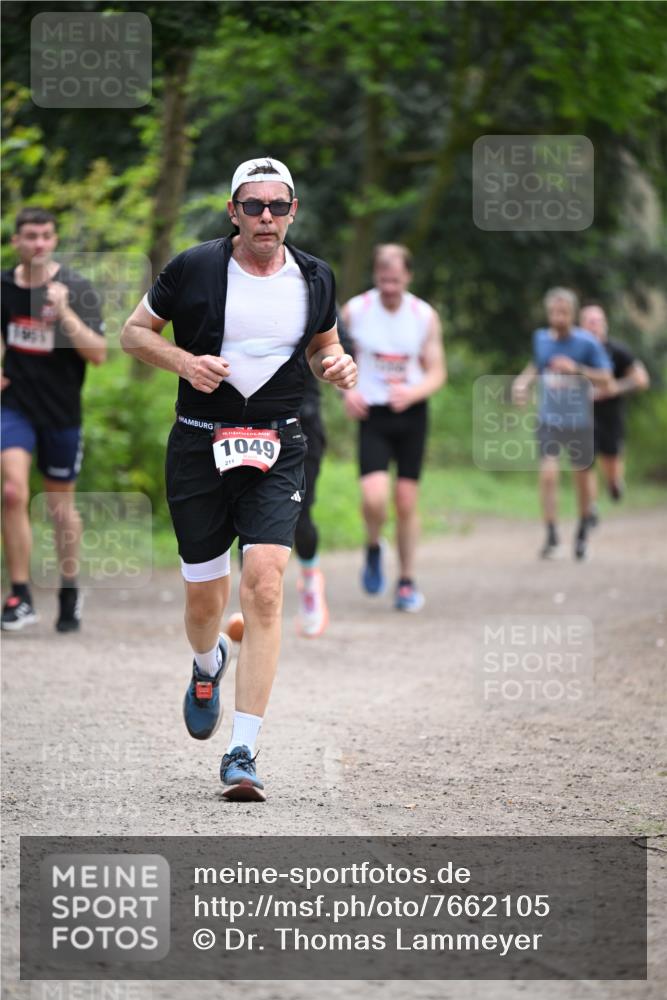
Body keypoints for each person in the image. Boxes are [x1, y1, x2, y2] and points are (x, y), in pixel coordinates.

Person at [120, 157, 356, 801]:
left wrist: (336, 364)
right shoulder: (194, 268)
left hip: (280, 443)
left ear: (293, 212)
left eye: (278, 206)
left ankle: (243, 751)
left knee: (266, 587)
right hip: (198, 443)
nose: (266, 218)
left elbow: (322, 345)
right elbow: (133, 334)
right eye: (253, 206)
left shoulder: (315, 276)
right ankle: (207, 664)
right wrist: (183, 361)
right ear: (233, 212)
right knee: (204, 603)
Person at [1, 207, 106, 632]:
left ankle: (67, 587)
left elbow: (98, 354)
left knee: (60, 507)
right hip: (15, 406)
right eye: (30, 236)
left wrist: (63, 312)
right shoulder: (4, 286)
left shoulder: (76, 287)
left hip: (62, 411)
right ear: (16, 242)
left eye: (46, 235)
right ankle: (20, 594)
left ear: (55, 239)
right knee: (11, 492)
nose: (39, 243)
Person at [341, 244, 446, 612]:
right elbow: (331, 356)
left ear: (408, 277)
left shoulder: (423, 315)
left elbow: (437, 372)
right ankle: (373, 545)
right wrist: (346, 391)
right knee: (373, 497)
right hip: (372, 414)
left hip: (411, 414)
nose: (389, 286)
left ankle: (406, 580)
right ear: (375, 276)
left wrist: (413, 392)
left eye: (396, 280)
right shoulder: (356, 311)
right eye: (384, 279)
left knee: (405, 501)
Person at [512, 288, 612, 561]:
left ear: (573, 314)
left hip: (579, 421)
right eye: (554, 313)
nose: (559, 318)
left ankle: (581, 534)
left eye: (564, 313)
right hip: (549, 419)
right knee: (548, 475)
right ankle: (551, 533)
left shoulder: (587, 343)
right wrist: (522, 383)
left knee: (582, 479)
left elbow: (606, 378)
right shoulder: (541, 339)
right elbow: (537, 365)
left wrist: (577, 369)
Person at [294, 309, 353, 638]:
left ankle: (310, 580)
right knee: (247, 518)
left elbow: (342, 347)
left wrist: (342, 374)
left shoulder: (314, 291)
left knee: (300, 518)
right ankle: (252, 605)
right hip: (251, 425)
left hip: (304, 422)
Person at [579, 304, 649, 512]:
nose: (594, 326)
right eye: (590, 322)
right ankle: (590, 508)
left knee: (610, 458)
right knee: (585, 461)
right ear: (581, 326)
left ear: (605, 325)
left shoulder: (617, 351)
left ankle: (613, 483)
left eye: (598, 322)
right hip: (583, 416)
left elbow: (641, 379)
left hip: (611, 414)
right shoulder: (575, 351)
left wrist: (614, 389)